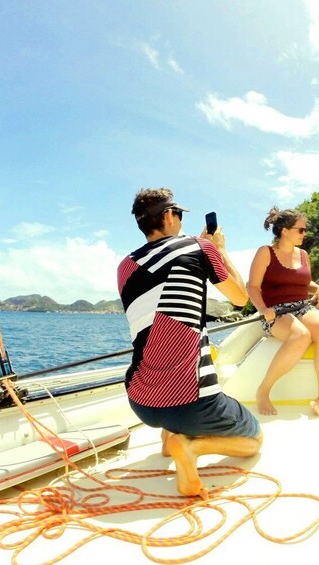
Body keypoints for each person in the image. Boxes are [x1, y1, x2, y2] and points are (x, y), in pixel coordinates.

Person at [117, 188, 262, 498]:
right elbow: (241, 298)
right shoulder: (199, 247)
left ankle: (169, 442)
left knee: (160, 350)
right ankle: (190, 446)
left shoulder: (125, 267)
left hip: (141, 401)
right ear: (169, 215)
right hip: (190, 402)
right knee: (254, 440)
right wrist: (217, 250)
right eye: (179, 213)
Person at [247, 207, 319, 417]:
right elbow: (252, 286)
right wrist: (262, 309)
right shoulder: (265, 252)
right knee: (300, 335)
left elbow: (303, 282)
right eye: (301, 230)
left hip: (302, 306)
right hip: (275, 312)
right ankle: (264, 390)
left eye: (305, 230)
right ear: (285, 231)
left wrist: (317, 288)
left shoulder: (303, 255)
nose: (305, 234)